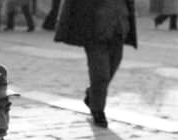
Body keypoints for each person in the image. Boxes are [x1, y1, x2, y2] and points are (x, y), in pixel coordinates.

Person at [55, 0, 138, 128]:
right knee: (101, 73)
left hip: (118, 28)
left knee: (113, 64)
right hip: (94, 31)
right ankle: (98, 110)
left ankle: (92, 95)